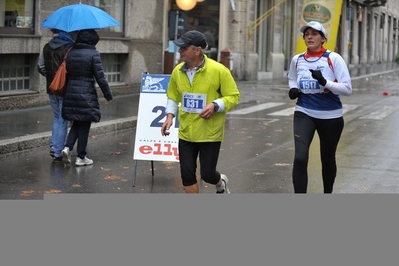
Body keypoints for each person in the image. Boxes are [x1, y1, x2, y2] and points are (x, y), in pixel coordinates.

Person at [161, 30, 240, 193]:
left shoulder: (219, 70)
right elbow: (173, 96)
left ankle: (220, 182)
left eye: (184, 48)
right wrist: (169, 117)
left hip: (209, 133)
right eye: (180, 48)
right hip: (186, 132)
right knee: (187, 176)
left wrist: (215, 105)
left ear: (197, 50)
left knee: (208, 174)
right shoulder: (178, 71)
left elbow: (233, 96)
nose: (180, 51)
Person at [287, 21, 352, 193]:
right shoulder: (298, 59)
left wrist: (325, 82)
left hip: (331, 116)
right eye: (307, 33)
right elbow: (292, 78)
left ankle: (327, 193)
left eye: (314, 34)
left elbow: (347, 89)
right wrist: (293, 88)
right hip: (304, 111)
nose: (310, 36)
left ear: (323, 38)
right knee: (300, 158)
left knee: (327, 158)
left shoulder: (333, 59)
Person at [61, 29, 113, 166]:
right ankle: (81, 157)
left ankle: (67, 147)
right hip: (86, 94)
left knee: (77, 123)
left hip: (71, 92)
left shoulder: (70, 52)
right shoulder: (93, 54)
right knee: (84, 125)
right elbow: (100, 77)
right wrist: (108, 94)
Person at [37, 30, 75, 163]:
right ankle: (58, 150)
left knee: (57, 117)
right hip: (65, 89)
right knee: (63, 119)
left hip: (51, 88)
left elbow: (40, 67)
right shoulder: (70, 47)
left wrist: (52, 79)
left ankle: (54, 146)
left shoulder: (47, 46)